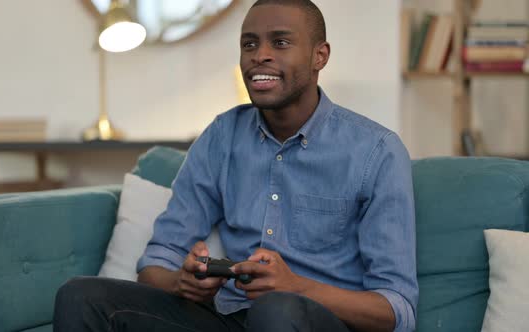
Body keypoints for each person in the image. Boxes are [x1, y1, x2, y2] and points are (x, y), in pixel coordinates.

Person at [53, 0, 418, 331]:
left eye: (280, 42)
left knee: (276, 310)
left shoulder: (376, 151)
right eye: (249, 44)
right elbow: (156, 261)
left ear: (319, 56)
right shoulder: (222, 136)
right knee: (81, 296)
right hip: (228, 318)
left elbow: (396, 310)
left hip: (312, 322)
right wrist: (182, 282)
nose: (260, 55)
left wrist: (295, 287)